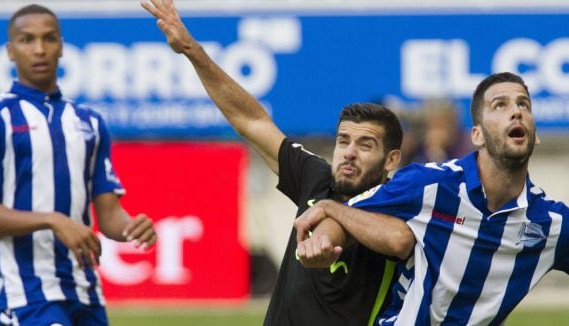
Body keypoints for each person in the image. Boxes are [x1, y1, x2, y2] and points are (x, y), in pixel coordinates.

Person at [294, 72, 569, 325]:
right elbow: (349, 215)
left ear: (534, 134)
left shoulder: (553, 225)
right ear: (476, 135)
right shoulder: (427, 184)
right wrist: (326, 232)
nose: (516, 110)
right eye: (500, 105)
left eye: (523, 103)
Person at [140, 1, 408, 324]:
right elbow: (251, 121)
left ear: (391, 159)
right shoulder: (315, 178)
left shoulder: (400, 206)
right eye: (343, 141)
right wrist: (191, 50)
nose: (349, 152)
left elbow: (400, 240)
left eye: (365, 145)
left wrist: (332, 214)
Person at [0, 4, 158, 325]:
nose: (39, 49)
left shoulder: (90, 122)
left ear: (62, 46)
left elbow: (109, 216)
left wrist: (133, 227)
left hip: (85, 291)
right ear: (10, 51)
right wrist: (52, 220)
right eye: (27, 40)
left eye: (49, 38)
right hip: (25, 294)